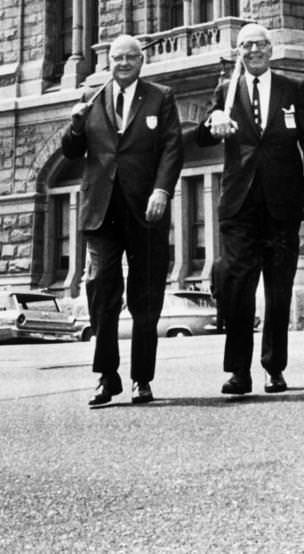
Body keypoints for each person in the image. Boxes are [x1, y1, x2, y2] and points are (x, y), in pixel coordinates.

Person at [196, 22, 304, 396]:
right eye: (246, 45)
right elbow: (204, 135)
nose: (253, 50)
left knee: (279, 288)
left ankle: (274, 367)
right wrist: (213, 121)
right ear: (238, 51)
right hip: (239, 205)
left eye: (259, 44)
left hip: (282, 204)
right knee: (238, 288)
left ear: (270, 50)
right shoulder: (226, 89)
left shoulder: (293, 90)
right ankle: (239, 371)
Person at [60, 33, 183, 408]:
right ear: (108, 62)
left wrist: (162, 190)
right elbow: (70, 150)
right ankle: (105, 376)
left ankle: (141, 379)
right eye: (117, 57)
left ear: (141, 62)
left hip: (146, 211)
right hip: (102, 212)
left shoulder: (160, 97)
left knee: (145, 298)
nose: (123, 63)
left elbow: (172, 148)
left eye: (131, 57)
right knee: (100, 292)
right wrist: (76, 125)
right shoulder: (92, 100)